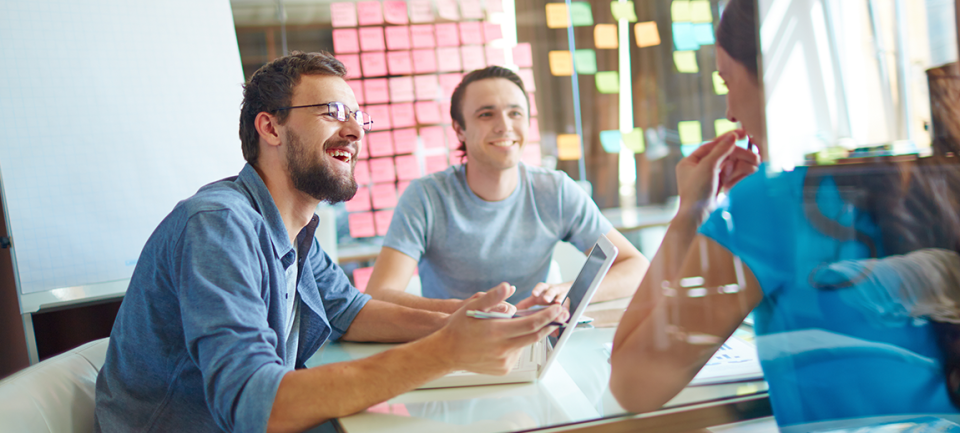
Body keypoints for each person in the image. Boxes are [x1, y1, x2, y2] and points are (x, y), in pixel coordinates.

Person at [93, 52, 567, 433]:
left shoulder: (294, 224)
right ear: (271, 127)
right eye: (332, 113)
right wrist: (446, 350)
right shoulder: (219, 225)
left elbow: (350, 311)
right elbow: (252, 404)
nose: (356, 130)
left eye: (358, 116)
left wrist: (459, 318)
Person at [610, 0, 960, 427]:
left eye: (726, 82)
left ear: (774, 77)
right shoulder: (936, 178)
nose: (730, 112)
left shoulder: (772, 203)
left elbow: (632, 383)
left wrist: (691, 213)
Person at [365, 66, 649, 312]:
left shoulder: (556, 190)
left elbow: (635, 266)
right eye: (486, 114)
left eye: (515, 113)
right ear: (460, 129)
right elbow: (379, 296)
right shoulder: (426, 197)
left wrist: (570, 294)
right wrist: (463, 311)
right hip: (451, 343)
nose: (505, 126)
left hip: (534, 339)